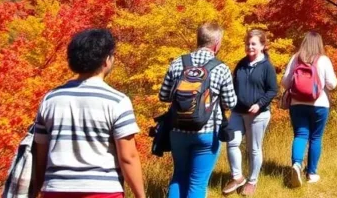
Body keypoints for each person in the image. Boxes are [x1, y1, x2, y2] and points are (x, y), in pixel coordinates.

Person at [31, 28, 145, 198]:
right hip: (103, 190)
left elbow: (40, 155)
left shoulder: (50, 99)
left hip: (55, 189)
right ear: (107, 60)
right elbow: (128, 157)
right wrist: (140, 195)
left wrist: (35, 190)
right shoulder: (117, 101)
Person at [159, 22, 238, 198]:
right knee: (197, 182)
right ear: (217, 44)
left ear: (198, 39)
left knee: (179, 176)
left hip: (177, 131)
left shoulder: (178, 63)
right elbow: (230, 102)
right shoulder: (221, 68)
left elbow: (163, 96)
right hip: (207, 133)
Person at [223, 29, 278, 196]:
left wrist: (259, 104)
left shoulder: (267, 66)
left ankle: (252, 181)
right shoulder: (241, 64)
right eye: (247, 43)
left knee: (253, 149)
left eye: (253, 44)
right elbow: (232, 85)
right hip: (237, 112)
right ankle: (238, 177)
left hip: (258, 115)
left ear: (262, 46)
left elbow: (272, 90)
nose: (250, 47)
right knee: (232, 143)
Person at [280, 31, 337, 188]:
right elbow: (332, 84)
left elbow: (285, 83)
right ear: (319, 44)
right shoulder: (324, 60)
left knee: (300, 134)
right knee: (315, 137)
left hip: (297, 104)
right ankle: (312, 173)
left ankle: (297, 165)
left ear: (304, 42)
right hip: (319, 104)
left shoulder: (295, 58)